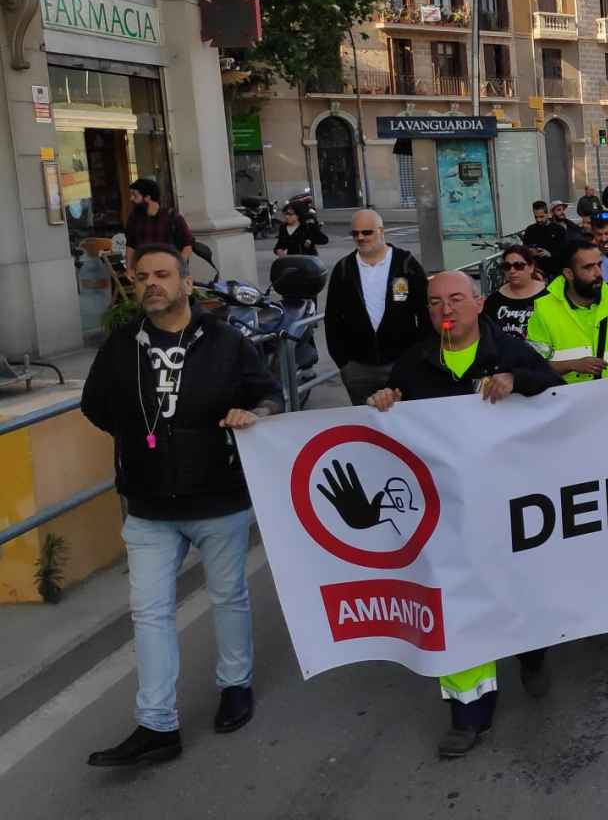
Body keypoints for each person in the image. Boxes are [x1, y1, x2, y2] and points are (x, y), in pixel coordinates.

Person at [81, 245, 281, 767]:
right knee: (148, 613)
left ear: (187, 283)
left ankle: (235, 685)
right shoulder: (121, 345)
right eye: (142, 275)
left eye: (163, 275)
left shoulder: (226, 341)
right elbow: (95, 405)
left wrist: (251, 413)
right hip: (147, 506)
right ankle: (157, 724)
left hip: (218, 498)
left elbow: (269, 395)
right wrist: (140, 439)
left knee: (228, 597)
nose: (152, 283)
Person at [365, 271, 560, 757]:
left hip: (509, 500)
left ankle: (531, 651)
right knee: (455, 601)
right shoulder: (414, 362)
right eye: (434, 303)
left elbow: (555, 390)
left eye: (455, 299)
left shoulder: (508, 350)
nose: (444, 309)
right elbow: (395, 417)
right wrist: (385, 400)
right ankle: (469, 713)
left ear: (478, 303)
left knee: (516, 589)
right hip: (445, 508)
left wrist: (519, 380)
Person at [325, 209, 432, 406]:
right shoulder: (343, 269)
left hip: (402, 364)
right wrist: (344, 363)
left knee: (404, 423)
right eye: (355, 233)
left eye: (367, 232)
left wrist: (419, 355)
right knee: (368, 429)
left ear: (381, 231)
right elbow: (332, 319)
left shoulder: (406, 264)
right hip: (358, 369)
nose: (360, 237)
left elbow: (426, 313)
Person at [528, 242, 608, 384]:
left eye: (599, 264)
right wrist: (571, 365)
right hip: (571, 400)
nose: (598, 273)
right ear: (569, 274)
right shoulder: (544, 308)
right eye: (588, 267)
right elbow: (532, 365)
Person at [123, 178, 194, 271]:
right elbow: (130, 245)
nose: (131, 199)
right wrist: (129, 268)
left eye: (135, 195)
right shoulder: (134, 218)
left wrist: (178, 268)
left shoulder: (172, 217)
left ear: (147, 197)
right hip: (144, 271)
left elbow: (187, 245)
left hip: (168, 271)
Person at [484, 244, 549, 341]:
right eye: (507, 266)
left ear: (531, 267)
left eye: (518, 266)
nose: (512, 271)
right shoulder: (493, 301)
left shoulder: (548, 295)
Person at [523, 200, 574, 281]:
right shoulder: (530, 230)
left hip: (555, 272)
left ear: (547, 214)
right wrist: (530, 252)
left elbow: (565, 252)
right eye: (536, 217)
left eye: (541, 216)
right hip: (536, 273)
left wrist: (550, 254)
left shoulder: (558, 230)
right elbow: (524, 250)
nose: (539, 220)